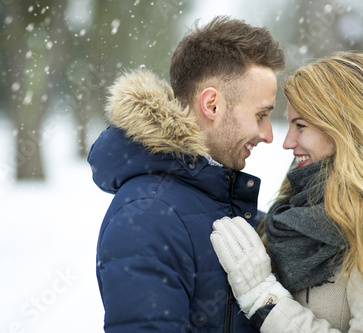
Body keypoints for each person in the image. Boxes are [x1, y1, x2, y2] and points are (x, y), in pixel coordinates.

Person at [210, 51, 363, 332]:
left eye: (301, 126)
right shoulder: (299, 202)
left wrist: (263, 298)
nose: (287, 142)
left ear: (344, 127)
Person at [88, 16, 285, 332]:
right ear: (212, 105)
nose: (268, 134)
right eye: (261, 115)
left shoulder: (218, 195)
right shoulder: (149, 215)